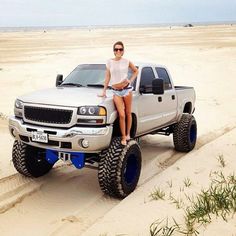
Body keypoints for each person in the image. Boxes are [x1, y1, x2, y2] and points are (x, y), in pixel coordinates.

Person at [98, 41, 138, 146]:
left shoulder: (126, 61)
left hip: (127, 90)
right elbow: (107, 77)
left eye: (120, 49)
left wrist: (130, 80)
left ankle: (128, 134)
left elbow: (136, 71)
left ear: (123, 51)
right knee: (121, 114)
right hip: (116, 91)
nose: (118, 51)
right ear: (114, 51)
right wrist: (104, 91)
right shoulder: (109, 62)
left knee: (128, 113)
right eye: (116, 49)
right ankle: (123, 136)